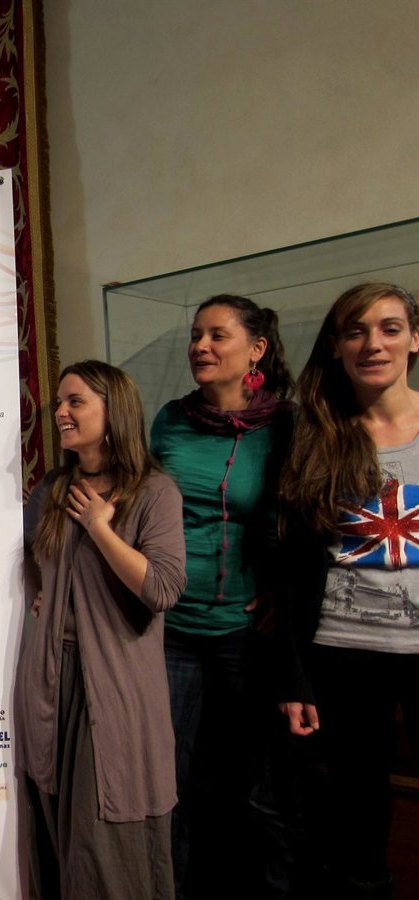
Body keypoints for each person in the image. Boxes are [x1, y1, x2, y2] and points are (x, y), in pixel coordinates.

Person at [18, 360, 186, 898]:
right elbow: (29, 554)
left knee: (105, 837)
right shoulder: (51, 490)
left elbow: (161, 588)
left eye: (76, 402)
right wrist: (42, 588)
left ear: (114, 411)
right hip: (51, 682)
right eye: (59, 403)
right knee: (55, 831)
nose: (60, 413)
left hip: (113, 687)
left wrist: (99, 528)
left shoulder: (153, 491)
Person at [150, 294, 295, 897]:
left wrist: (284, 592)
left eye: (217, 335)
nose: (201, 347)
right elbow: (143, 509)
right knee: (172, 781)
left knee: (260, 786)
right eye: (195, 335)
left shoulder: (287, 425)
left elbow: (302, 522)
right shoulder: (170, 419)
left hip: (245, 628)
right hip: (170, 627)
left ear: (256, 349)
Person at [277, 282, 419, 900]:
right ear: (336, 346)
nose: (373, 344)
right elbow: (291, 570)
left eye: (390, 328)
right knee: (357, 820)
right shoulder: (317, 436)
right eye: (356, 331)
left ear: (415, 339)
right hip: (343, 654)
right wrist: (295, 677)